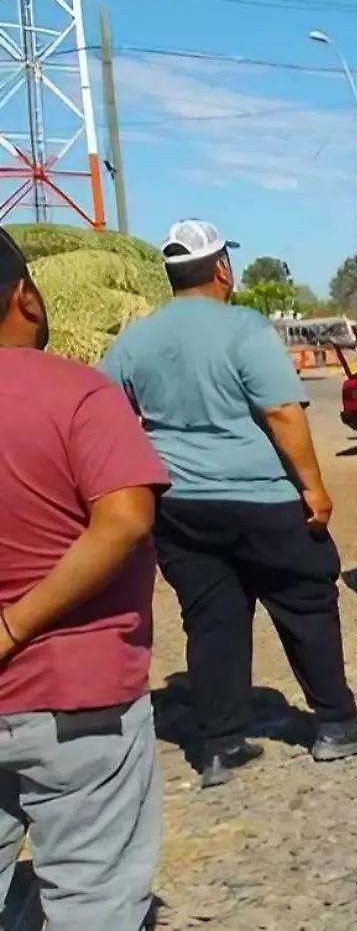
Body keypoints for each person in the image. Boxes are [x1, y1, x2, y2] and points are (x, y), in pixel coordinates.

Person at [101, 220, 357, 788]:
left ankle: (220, 745)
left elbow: (105, 410)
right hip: (261, 497)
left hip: (181, 502)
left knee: (212, 617)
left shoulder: (137, 337)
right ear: (221, 270)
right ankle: (335, 721)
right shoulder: (246, 328)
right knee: (306, 601)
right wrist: (313, 485)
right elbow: (283, 413)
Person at [0, 227, 167, 926]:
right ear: (26, 297)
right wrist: (13, 625)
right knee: (93, 892)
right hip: (73, 695)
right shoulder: (76, 394)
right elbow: (126, 517)